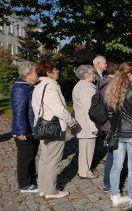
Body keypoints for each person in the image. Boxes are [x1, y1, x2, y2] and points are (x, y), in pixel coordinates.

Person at [105, 62, 132, 209]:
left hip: (117, 133)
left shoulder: (112, 90)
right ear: (129, 74)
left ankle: (115, 196)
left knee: (117, 165)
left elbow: (110, 113)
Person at [32, 60, 76, 199]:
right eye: (55, 69)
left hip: (43, 127)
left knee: (45, 158)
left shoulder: (38, 87)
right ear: (48, 72)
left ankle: (44, 189)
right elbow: (60, 110)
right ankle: (51, 191)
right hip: (54, 128)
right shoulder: (50, 87)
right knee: (53, 160)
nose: (58, 71)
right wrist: (72, 121)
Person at [11, 61, 40, 193]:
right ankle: (24, 184)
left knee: (31, 156)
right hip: (25, 130)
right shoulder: (20, 88)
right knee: (25, 157)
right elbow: (18, 110)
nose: (37, 74)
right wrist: (20, 131)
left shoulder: (28, 87)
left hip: (31, 128)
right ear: (28, 74)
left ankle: (32, 180)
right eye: (35, 72)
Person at [72, 65, 99, 179]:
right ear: (87, 75)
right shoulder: (85, 88)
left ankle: (84, 169)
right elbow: (88, 109)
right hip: (86, 124)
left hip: (83, 123)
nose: (94, 75)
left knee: (85, 148)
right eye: (93, 73)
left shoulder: (82, 86)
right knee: (87, 149)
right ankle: (84, 171)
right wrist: (93, 127)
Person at [98, 61, 120, 192]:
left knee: (112, 153)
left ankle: (109, 182)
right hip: (110, 123)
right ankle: (108, 183)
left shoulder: (103, 81)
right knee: (113, 154)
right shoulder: (109, 84)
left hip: (107, 122)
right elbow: (111, 105)